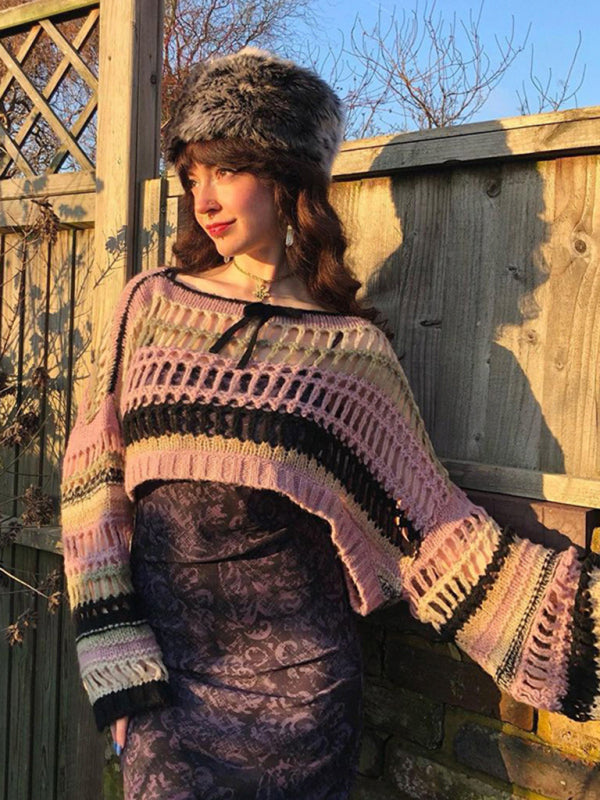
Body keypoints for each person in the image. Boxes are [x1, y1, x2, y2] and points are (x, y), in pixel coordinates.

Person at [60, 48, 598, 800]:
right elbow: (93, 482)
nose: (203, 198)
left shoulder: (350, 350)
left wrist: (577, 629)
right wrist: (111, 657)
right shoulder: (149, 304)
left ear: (286, 178)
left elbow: (430, 526)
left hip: (304, 700)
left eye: (226, 170)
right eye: (191, 175)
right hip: (168, 692)